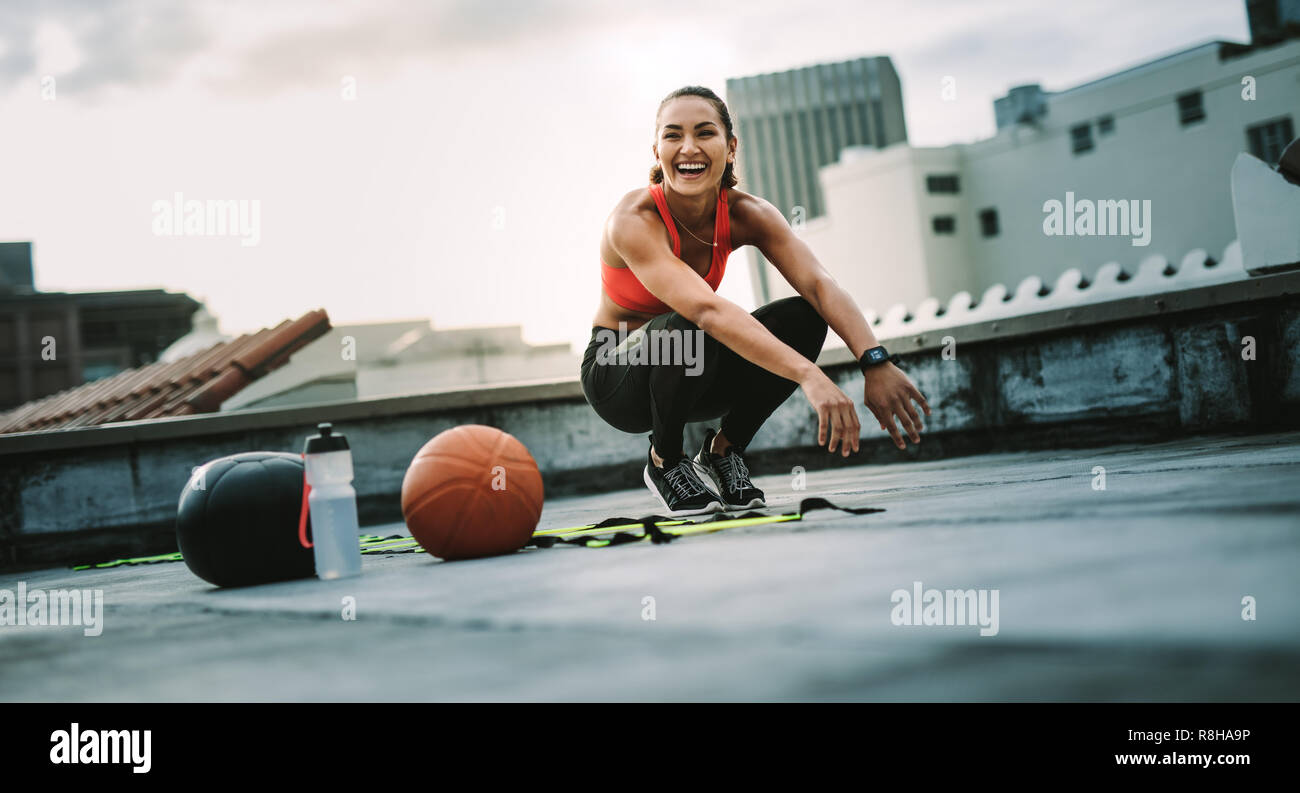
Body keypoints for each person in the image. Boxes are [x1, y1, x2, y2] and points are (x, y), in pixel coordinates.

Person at [581, 85, 930, 517]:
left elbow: (819, 284)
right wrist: (809, 376)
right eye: (673, 136)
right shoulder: (633, 220)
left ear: (730, 148)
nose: (688, 147)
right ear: (657, 151)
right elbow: (705, 310)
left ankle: (723, 451)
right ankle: (665, 461)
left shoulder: (749, 213)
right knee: (690, 320)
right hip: (617, 375)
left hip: (696, 370)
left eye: (704, 133)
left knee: (804, 317)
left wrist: (874, 361)